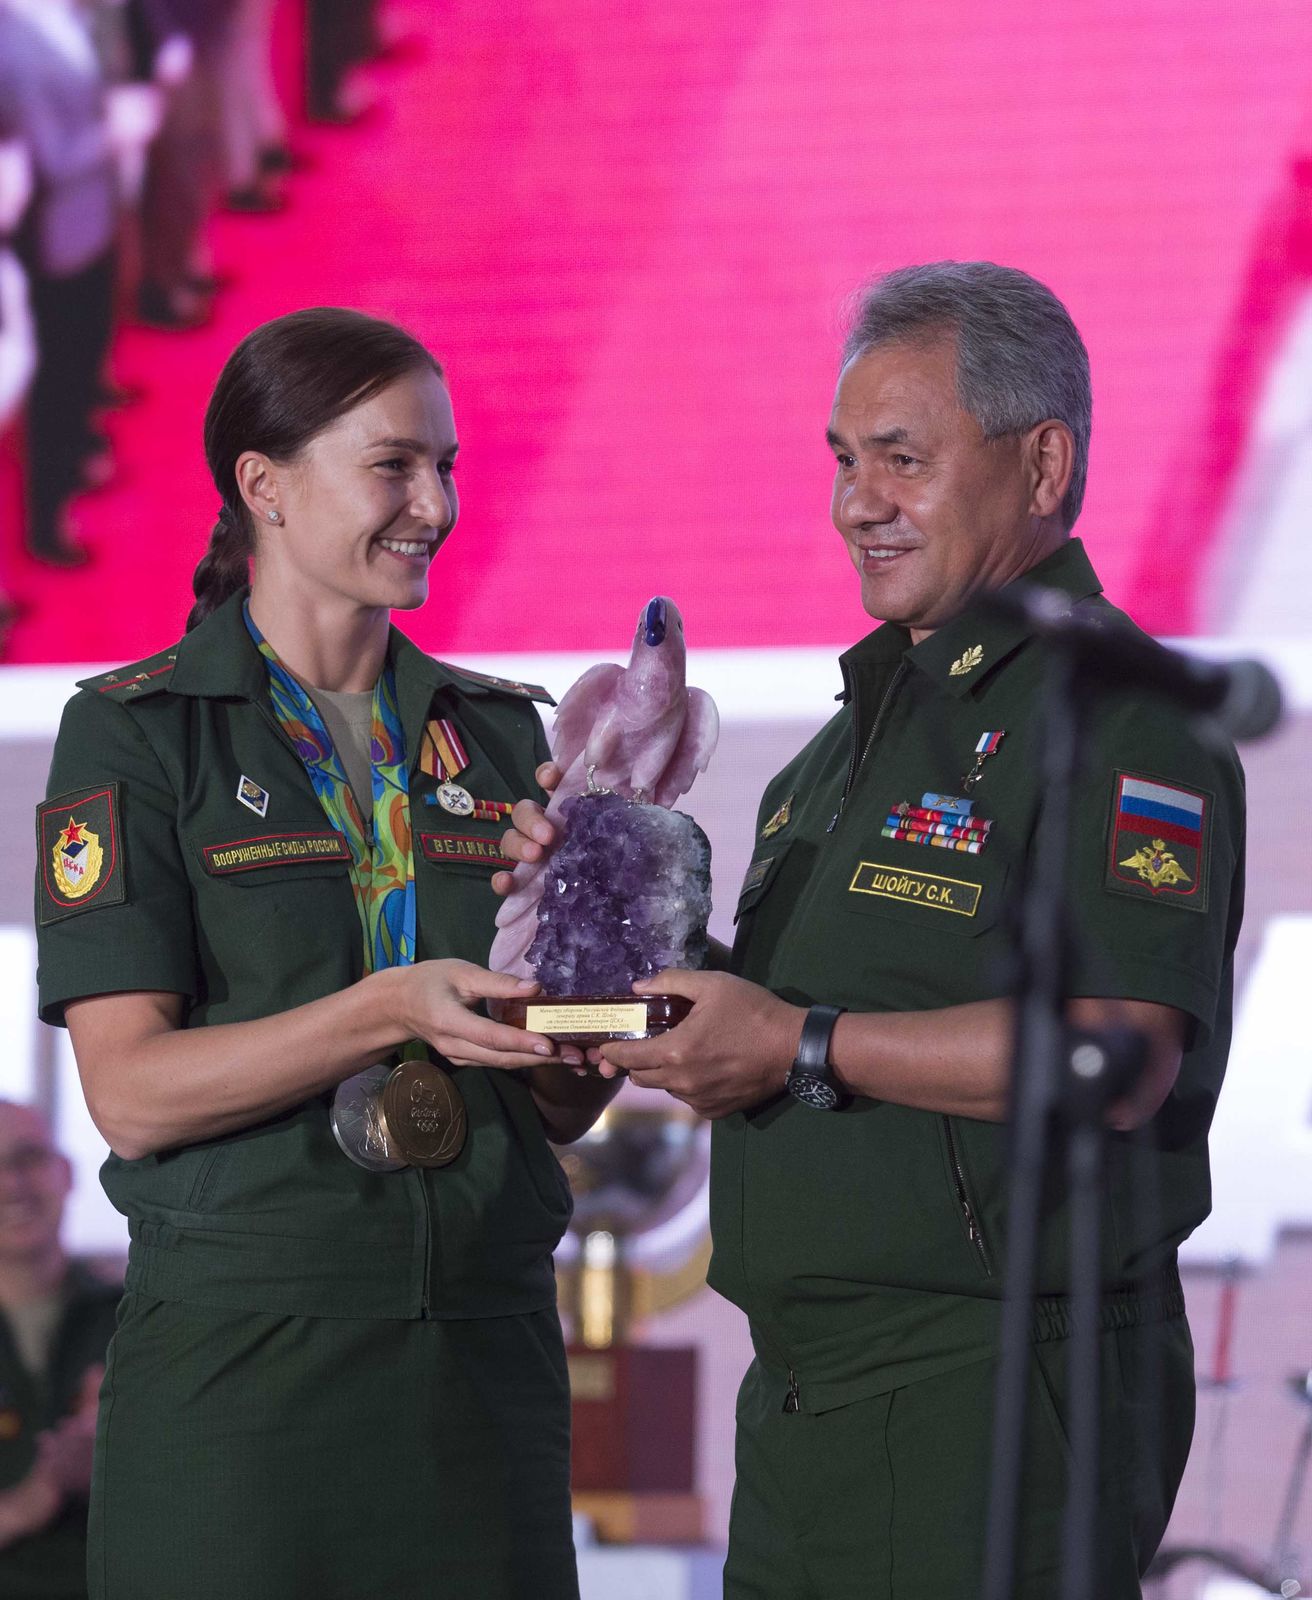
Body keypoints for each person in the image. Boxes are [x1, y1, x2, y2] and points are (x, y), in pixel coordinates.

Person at [499, 262, 1246, 1598]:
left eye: (902, 458)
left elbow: (1119, 1052)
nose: (857, 502)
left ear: (1042, 465)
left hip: (990, 1390)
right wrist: (599, 918)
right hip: (804, 1400)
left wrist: (798, 1043)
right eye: (844, 459)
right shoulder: (837, 754)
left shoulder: (1125, 717)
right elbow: (779, 1023)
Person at [34, 306, 619, 1600]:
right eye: (394, 466)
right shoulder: (141, 734)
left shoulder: (500, 736)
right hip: (246, 1373)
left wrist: (603, 980)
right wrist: (387, 1007)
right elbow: (132, 1095)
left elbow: (556, 1106)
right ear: (266, 487)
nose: (435, 506)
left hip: (483, 1365)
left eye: (446, 466)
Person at [0, 1101, 121, 1600]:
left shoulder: (132, 1319)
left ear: (66, 1173)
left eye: (28, 1158)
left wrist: (116, 1453)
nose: (12, 1185)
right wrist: (34, 1498)